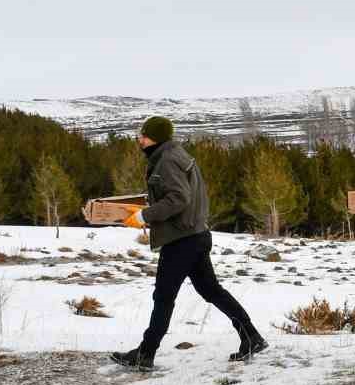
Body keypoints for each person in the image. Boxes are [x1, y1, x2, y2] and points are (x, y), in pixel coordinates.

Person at [111, 116, 266, 371]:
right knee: (211, 291)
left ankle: (145, 354)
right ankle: (251, 337)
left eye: (144, 135)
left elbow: (178, 199)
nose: (140, 139)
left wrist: (145, 215)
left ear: (156, 138)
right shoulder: (176, 155)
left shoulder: (167, 160)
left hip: (181, 241)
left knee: (163, 297)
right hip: (195, 236)